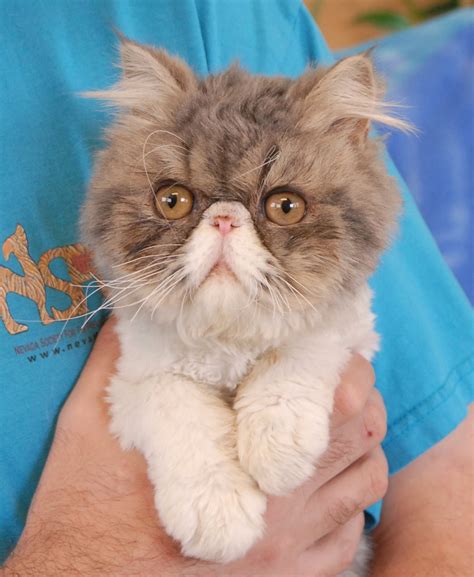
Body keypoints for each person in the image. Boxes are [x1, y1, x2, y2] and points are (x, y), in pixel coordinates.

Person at [0, 0, 472, 575]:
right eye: (175, 202)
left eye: (284, 206)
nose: (224, 229)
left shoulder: (234, 12)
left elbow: (447, 468)